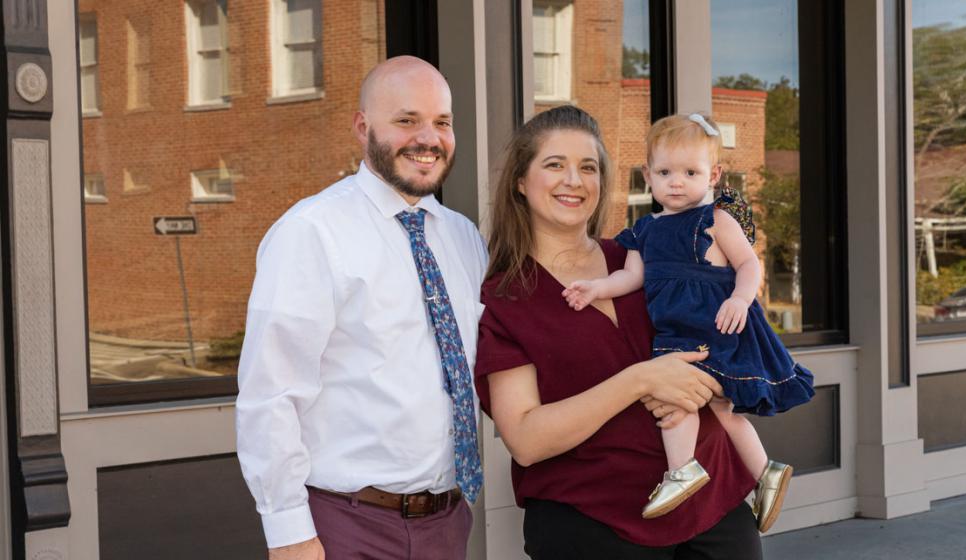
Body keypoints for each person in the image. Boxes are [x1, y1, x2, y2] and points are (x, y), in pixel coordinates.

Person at [475, 104, 763, 559]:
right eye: (555, 165)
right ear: (520, 182)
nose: (574, 180)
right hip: (593, 524)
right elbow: (526, 441)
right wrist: (641, 380)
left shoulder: (645, 257)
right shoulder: (507, 297)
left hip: (714, 506)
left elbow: (726, 340)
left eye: (588, 167)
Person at [236, 56, 487, 560]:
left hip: (447, 522)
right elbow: (271, 394)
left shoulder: (463, 238)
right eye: (406, 120)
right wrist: (288, 533)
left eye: (442, 122)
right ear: (362, 126)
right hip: (345, 527)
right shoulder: (313, 232)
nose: (428, 138)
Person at [562, 113, 815, 530]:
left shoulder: (716, 220)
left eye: (690, 172)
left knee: (697, 404)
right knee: (707, 405)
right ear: (648, 175)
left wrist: (739, 297)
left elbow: (749, 265)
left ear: (713, 175)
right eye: (664, 172)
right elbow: (631, 277)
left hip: (718, 327)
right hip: (676, 333)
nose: (676, 182)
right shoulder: (644, 229)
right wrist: (594, 288)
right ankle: (763, 472)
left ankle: (686, 471)